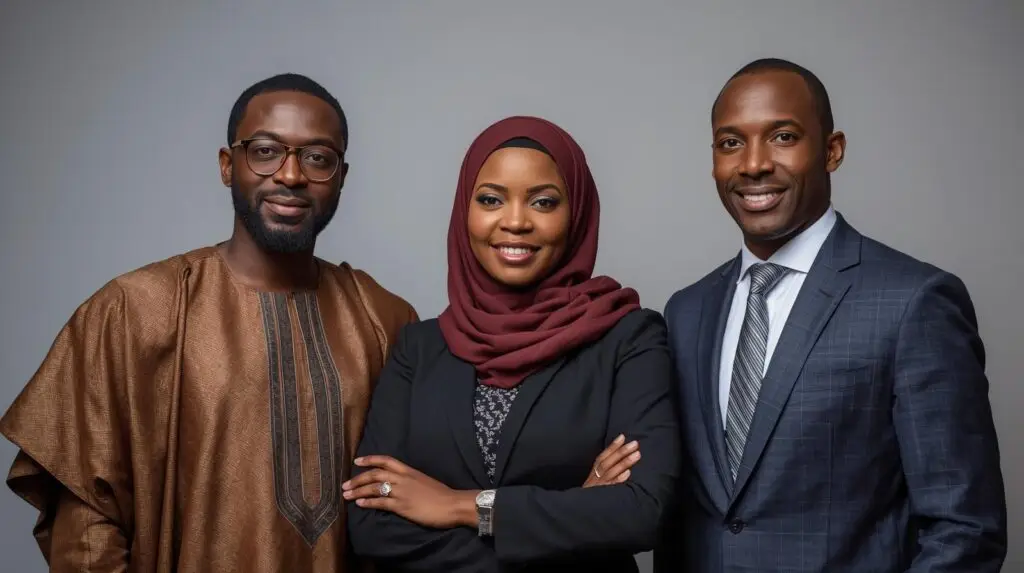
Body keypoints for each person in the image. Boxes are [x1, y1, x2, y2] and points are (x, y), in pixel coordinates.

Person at [0, 73, 418, 572]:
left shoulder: (383, 318)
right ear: (227, 165)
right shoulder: (135, 309)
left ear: (342, 177)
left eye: (317, 158)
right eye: (265, 151)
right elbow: (85, 519)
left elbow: (407, 502)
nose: (290, 175)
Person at [656, 58, 1007, 572]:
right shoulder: (687, 311)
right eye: (731, 142)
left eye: (782, 136)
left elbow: (965, 530)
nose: (752, 164)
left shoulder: (914, 302)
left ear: (832, 150)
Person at [341, 115, 681, 572]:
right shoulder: (418, 348)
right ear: (466, 209)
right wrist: (572, 519)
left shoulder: (628, 338)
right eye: (490, 199)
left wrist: (459, 506)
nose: (516, 221)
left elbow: (642, 513)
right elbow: (371, 528)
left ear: (576, 213)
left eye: (543, 202)